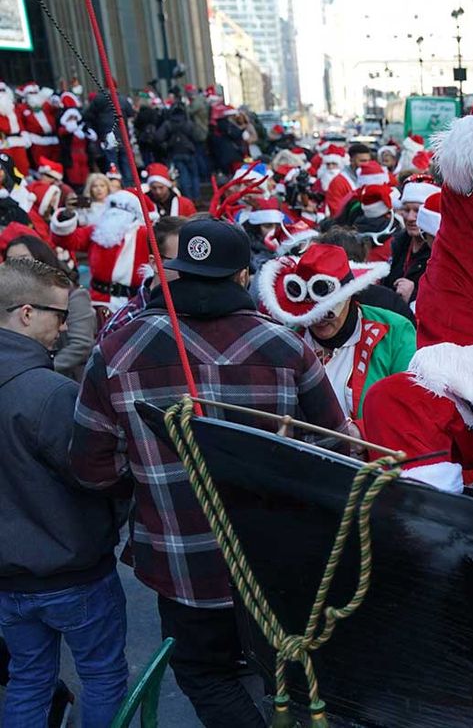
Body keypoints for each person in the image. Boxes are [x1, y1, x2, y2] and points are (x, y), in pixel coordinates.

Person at [71, 219, 347, 728]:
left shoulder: (116, 352)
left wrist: (151, 485)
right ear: (243, 276)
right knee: (287, 675)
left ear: (177, 274)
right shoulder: (287, 347)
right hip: (273, 564)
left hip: (181, 563)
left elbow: (93, 468)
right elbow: (335, 448)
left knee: (204, 673)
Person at [0, 258, 128, 728]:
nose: (68, 327)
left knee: (28, 679)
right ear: (26, 314)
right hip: (72, 569)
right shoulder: (50, 392)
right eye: (61, 315)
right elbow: (96, 475)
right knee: (102, 676)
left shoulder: (46, 386)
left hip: (10, 578)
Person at [258, 243, 414, 422]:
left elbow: (408, 407)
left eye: (328, 312)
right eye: (310, 314)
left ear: (348, 297)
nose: (318, 320)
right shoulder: (289, 340)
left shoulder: (395, 332)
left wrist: (362, 432)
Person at [4, 235, 96, 379]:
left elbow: (81, 344)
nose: (18, 267)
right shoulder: (8, 297)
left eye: (24, 259)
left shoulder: (72, 295)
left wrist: (41, 369)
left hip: (62, 378)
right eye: (11, 262)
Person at [51, 189, 154, 313]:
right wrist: (66, 217)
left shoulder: (146, 235)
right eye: (113, 206)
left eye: (122, 207)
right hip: (98, 301)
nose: (116, 212)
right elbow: (68, 240)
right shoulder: (98, 230)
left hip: (133, 303)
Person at [98, 214, 186, 341]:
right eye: (181, 262)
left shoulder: (207, 315)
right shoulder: (121, 325)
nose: (193, 270)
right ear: (156, 264)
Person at [383, 175, 438, 303]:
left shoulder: (437, 252)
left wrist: (414, 295)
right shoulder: (398, 242)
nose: (410, 217)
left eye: (417, 211)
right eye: (406, 210)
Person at [154, 103, 200, 201]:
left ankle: (188, 198)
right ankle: (197, 197)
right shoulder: (188, 123)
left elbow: (158, 137)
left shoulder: (168, 124)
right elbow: (197, 136)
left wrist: (166, 144)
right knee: (194, 175)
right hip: (189, 151)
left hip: (175, 152)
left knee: (183, 176)